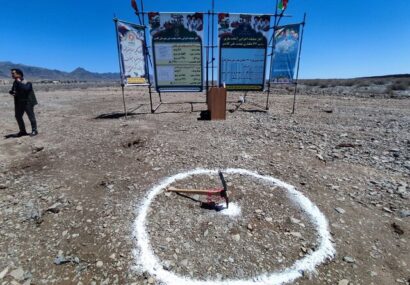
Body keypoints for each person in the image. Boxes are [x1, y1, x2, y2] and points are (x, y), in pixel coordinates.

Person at [9, 69, 38, 136]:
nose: (12, 75)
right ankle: (22, 131)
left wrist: (19, 82)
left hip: (27, 102)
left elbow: (26, 89)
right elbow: (14, 90)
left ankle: (34, 130)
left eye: (13, 73)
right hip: (19, 102)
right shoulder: (15, 82)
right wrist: (12, 92)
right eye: (12, 73)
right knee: (18, 116)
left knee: (31, 116)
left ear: (19, 74)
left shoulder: (27, 82)